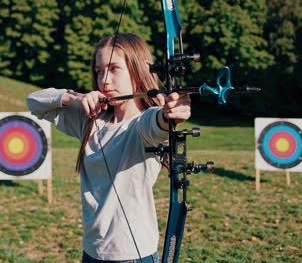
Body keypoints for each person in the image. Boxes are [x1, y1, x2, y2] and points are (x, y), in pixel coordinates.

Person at [26, 33, 191, 263]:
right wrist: (76, 99)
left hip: (132, 256)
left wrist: (171, 113)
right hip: (92, 251)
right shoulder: (91, 120)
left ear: (139, 69)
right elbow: (35, 102)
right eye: (99, 71)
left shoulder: (142, 124)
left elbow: (158, 124)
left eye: (114, 69)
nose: (105, 80)